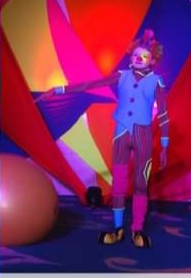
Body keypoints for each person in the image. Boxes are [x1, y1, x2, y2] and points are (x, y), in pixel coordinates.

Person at [45, 29, 168, 248]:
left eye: (144, 56)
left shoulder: (156, 82)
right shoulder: (121, 76)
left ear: (153, 60)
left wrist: (165, 145)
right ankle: (118, 228)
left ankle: (137, 229)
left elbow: (164, 114)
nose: (139, 59)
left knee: (141, 185)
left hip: (143, 136)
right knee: (118, 185)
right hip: (121, 135)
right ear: (130, 57)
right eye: (135, 55)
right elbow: (90, 85)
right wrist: (60, 90)